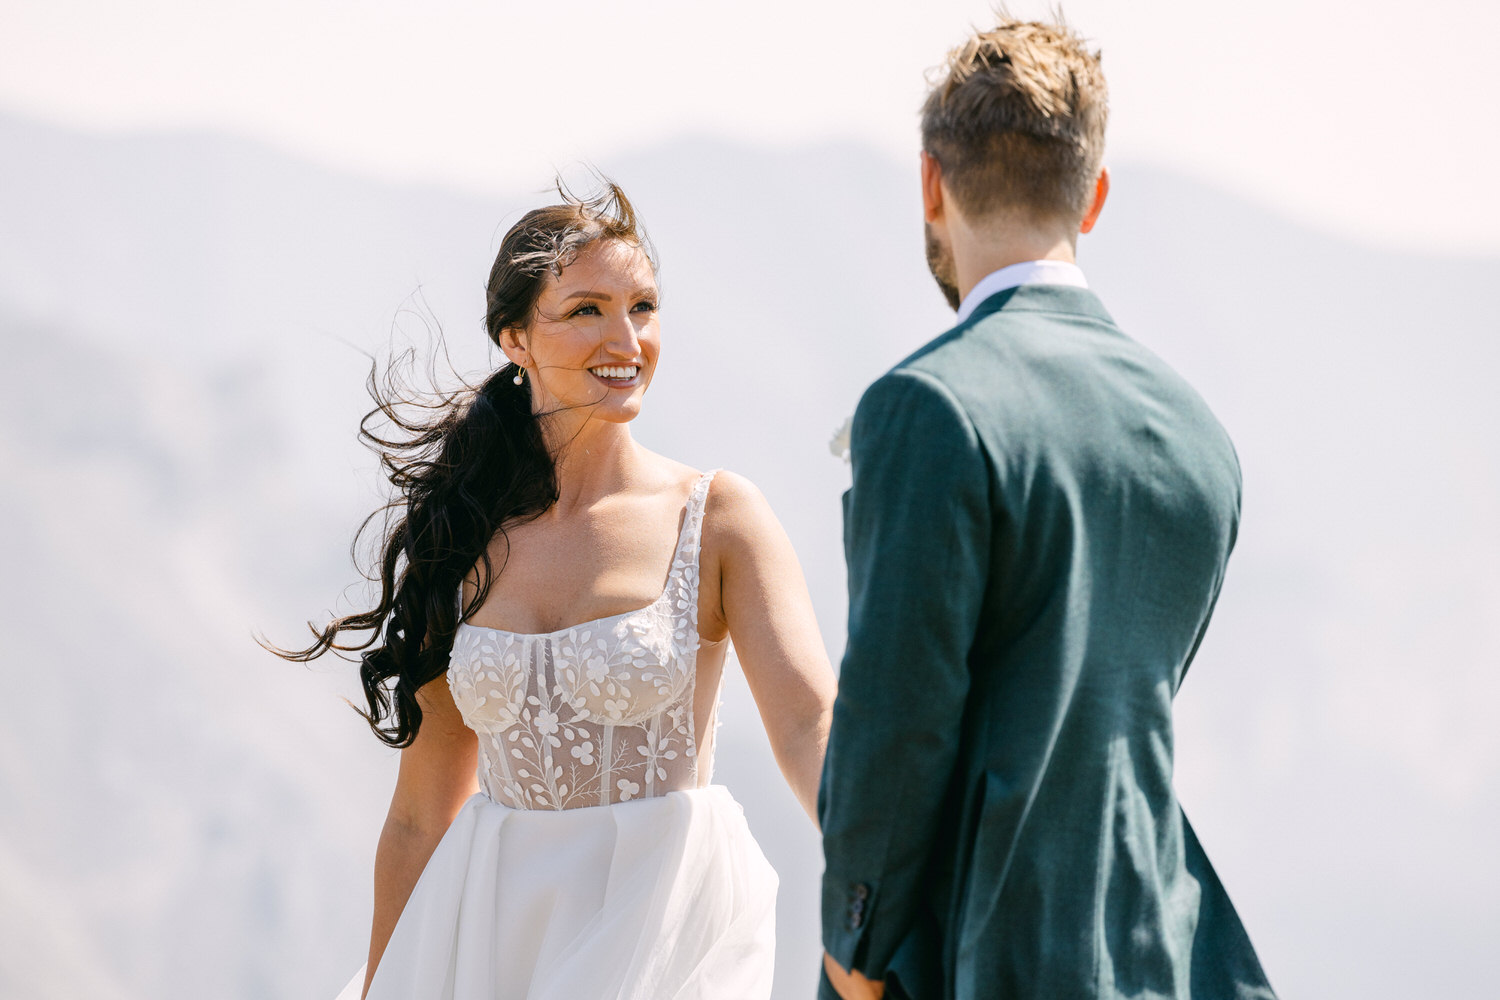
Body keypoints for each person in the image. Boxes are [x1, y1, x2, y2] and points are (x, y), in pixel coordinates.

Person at [273, 182, 837, 999]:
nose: (626, 338)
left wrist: (888, 871)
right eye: (586, 310)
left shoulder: (717, 519)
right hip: (492, 942)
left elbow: (809, 723)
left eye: (642, 306)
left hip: (661, 936)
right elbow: (418, 816)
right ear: (515, 339)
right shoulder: (464, 536)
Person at [817, 17, 1277, 1000]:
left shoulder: (926, 406)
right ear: (1094, 195)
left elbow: (895, 725)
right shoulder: (1198, 432)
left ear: (931, 184)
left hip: (974, 953)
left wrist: (851, 946)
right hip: (1158, 949)